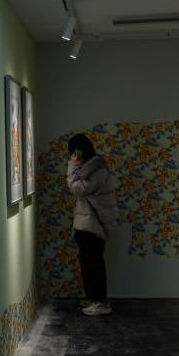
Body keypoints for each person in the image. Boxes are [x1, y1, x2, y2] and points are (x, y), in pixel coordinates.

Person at [67, 134, 119, 316]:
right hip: (89, 224)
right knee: (89, 263)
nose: (72, 156)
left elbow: (76, 188)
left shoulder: (96, 171)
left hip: (93, 225)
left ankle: (100, 302)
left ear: (78, 151)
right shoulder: (91, 168)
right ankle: (94, 299)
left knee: (93, 264)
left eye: (73, 152)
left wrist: (72, 165)